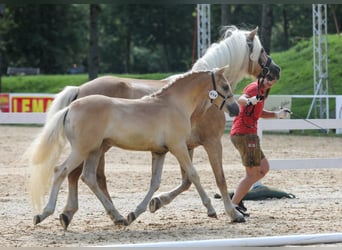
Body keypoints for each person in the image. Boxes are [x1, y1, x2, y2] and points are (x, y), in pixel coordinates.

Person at [230, 69, 290, 217]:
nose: (270, 81)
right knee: (252, 174)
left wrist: (277, 114)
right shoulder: (254, 88)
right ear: (263, 76)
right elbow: (241, 100)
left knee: (263, 168)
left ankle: (237, 199)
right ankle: (233, 205)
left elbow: (259, 112)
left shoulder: (262, 91)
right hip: (244, 134)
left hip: (249, 135)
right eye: (269, 77)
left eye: (273, 80)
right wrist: (250, 100)